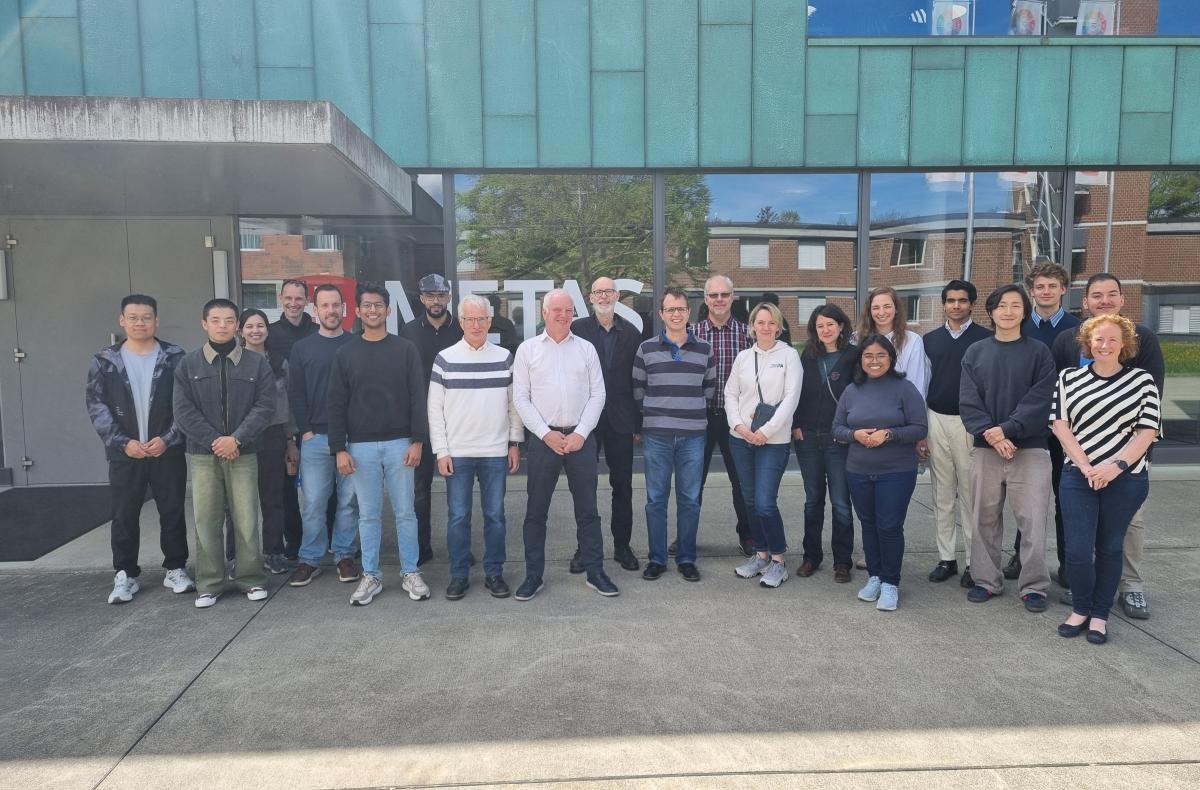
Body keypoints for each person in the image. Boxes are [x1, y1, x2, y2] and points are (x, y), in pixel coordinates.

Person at [1051, 273, 1164, 620]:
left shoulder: (1142, 339)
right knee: (1077, 526)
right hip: (1079, 456)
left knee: (1127, 527)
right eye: (1096, 295)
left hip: (1126, 460)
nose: (1104, 300)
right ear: (1084, 302)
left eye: (1111, 294)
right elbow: (1059, 409)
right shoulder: (1067, 340)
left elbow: (1150, 408)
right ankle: (1083, 586)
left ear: (1122, 298)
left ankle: (1130, 587)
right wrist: (1082, 461)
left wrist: (1120, 462)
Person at [328, 283, 430, 606]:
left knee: (406, 513)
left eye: (379, 306)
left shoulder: (404, 349)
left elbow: (418, 396)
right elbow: (336, 403)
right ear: (357, 311)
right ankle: (370, 574)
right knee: (368, 515)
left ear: (388, 310)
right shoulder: (345, 354)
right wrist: (339, 448)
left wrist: (418, 440)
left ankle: (410, 572)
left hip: (401, 444)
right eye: (367, 306)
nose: (373, 310)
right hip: (359, 448)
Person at [512, 289, 618, 601]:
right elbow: (520, 398)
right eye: (556, 310)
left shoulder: (586, 349)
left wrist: (581, 433)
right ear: (544, 313)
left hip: (580, 440)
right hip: (544, 441)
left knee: (588, 510)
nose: (563, 315)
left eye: (568, 310)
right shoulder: (528, 350)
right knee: (535, 511)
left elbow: (599, 394)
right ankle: (533, 575)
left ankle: (595, 571)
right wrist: (545, 434)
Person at [87, 295, 193, 604]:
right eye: (133, 317)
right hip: (125, 453)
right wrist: (123, 442)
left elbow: (185, 405)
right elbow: (96, 405)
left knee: (172, 511)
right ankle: (125, 574)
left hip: (166, 450)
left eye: (146, 317)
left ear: (156, 321)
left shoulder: (175, 357)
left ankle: (175, 567)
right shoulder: (105, 360)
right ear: (122, 320)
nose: (140, 322)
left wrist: (169, 438)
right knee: (124, 513)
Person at [173, 298, 276, 608]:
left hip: (244, 452)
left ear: (237, 326)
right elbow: (182, 411)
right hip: (204, 455)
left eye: (229, 320)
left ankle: (251, 578)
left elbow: (265, 406)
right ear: (204, 324)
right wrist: (217, 440)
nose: (222, 326)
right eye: (215, 320)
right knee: (206, 519)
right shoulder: (188, 364)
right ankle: (210, 582)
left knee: (246, 517)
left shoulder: (257, 364)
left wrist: (237, 439)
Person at [960, 285, 1057, 612]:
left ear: (1024, 311)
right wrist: (993, 435)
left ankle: (1034, 586)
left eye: (1016, 305)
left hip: (1030, 449)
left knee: (1032, 519)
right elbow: (969, 401)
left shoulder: (1039, 352)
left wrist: (1008, 430)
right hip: (987, 449)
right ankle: (986, 580)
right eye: (1002, 305)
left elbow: (1041, 399)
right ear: (991, 311)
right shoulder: (975, 352)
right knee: (983, 518)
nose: (1008, 311)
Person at [427, 295, 524, 600]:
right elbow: (434, 410)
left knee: (495, 515)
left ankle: (494, 573)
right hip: (458, 453)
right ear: (462, 322)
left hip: (495, 451)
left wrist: (514, 443)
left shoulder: (505, 358)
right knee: (458, 516)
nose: (476, 324)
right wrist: (441, 451)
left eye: (482, 318)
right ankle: (459, 575)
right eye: (470, 319)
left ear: (490, 322)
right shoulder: (445, 359)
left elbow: (514, 406)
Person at [832, 335, 927, 611]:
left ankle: (890, 582)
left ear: (891, 358)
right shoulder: (852, 390)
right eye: (868, 356)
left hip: (896, 471)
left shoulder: (905, 389)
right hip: (859, 470)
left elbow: (920, 428)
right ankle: (874, 576)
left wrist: (889, 434)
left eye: (880, 356)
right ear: (861, 360)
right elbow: (836, 428)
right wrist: (854, 434)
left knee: (889, 526)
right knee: (869, 525)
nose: (874, 361)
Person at [633, 287, 715, 582]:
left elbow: (709, 389)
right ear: (662, 314)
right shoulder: (646, 349)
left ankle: (686, 558)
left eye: (681, 309)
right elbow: (638, 390)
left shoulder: (705, 349)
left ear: (688, 312)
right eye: (670, 310)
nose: (676, 314)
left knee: (690, 499)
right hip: (658, 435)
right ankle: (656, 559)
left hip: (693, 435)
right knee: (656, 498)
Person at [1007, 261, 1080, 583]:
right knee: (1029, 501)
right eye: (1039, 286)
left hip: (1068, 428)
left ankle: (1067, 563)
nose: (1046, 292)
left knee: (1066, 499)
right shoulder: (1019, 327)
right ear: (1031, 291)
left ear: (1063, 289)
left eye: (1052, 286)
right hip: (1029, 428)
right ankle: (1022, 559)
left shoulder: (1080, 330)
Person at [286, 283, 360, 588]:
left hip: (354, 439)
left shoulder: (357, 345)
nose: (331, 311)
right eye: (324, 306)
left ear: (344, 309)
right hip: (315, 438)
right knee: (315, 501)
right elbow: (296, 393)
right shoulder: (302, 348)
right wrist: (304, 431)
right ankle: (310, 559)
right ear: (314, 311)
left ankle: (344, 554)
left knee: (349, 501)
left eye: (335, 305)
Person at [920, 280, 991, 588]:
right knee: (942, 494)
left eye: (963, 300)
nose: (957, 305)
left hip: (969, 422)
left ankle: (974, 564)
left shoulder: (986, 339)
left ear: (972, 304)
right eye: (951, 300)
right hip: (936, 419)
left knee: (971, 496)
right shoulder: (930, 340)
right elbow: (922, 382)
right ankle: (946, 558)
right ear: (943, 304)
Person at [728, 303, 802, 589]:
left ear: (779, 326)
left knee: (764, 502)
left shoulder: (790, 356)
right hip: (742, 440)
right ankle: (760, 554)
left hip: (773, 442)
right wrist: (740, 427)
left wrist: (765, 431)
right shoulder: (744, 357)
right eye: (761, 322)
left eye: (771, 323)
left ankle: (779, 561)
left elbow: (790, 399)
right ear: (752, 326)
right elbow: (730, 394)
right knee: (749, 500)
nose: (766, 327)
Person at [571, 276, 642, 573]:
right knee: (584, 486)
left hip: (621, 420)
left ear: (617, 296)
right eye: (598, 292)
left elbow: (638, 380)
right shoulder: (577, 330)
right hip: (584, 420)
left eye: (608, 291)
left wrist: (638, 423)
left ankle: (622, 546)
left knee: (622, 485)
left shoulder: (633, 333)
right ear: (590, 297)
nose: (603, 296)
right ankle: (584, 547)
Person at [400, 273, 464, 566]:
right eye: (430, 296)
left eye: (441, 295)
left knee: (458, 492)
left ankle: (460, 549)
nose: (436, 301)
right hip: (421, 422)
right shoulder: (409, 331)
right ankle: (422, 548)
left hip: (458, 421)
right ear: (422, 299)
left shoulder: (461, 330)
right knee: (420, 490)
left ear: (448, 297)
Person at [791, 304, 858, 583]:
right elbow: (795, 392)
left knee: (841, 503)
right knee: (812, 501)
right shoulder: (807, 355)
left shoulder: (854, 356)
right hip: (808, 438)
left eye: (831, 324)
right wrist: (795, 424)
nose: (826, 330)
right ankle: (811, 557)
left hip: (839, 439)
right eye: (820, 326)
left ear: (841, 326)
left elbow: (859, 397)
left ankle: (842, 561)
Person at [693, 275, 754, 557]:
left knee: (741, 481)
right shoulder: (691, 335)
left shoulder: (747, 335)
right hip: (699, 418)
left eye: (724, 295)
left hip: (735, 420)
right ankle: (686, 537)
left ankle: (749, 536)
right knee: (693, 482)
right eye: (713, 295)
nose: (719, 300)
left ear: (733, 297)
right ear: (705, 299)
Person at [238, 309, 298, 575]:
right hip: (239, 438)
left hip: (273, 435)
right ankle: (238, 555)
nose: (255, 330)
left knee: (273, 497)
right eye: (249, 326)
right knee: (237, 501)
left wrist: (290, 440)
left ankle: (274, 551)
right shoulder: (232, 362)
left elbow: (288, 403)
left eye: (260, 325)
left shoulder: (278, 362)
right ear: (241, 331)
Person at [266, 278, 317, 557]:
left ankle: (326, 536)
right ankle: (293, 540)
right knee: (285, 486)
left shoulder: (319, 332)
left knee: (321, 484)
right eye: (289, 298)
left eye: (299, 298)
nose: (294, 303)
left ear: (307, 301)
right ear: (280, 299)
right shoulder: (270, 334)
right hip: (281, 418)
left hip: (316, 418)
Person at [856, 286, 927, 397]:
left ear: (896, 309)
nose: (881, 312)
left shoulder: (913, 341)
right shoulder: (856, 339)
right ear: (869, 311)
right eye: (876, 307)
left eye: (887, 306)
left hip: (899, 408)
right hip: (864, 406)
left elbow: (916, 385)